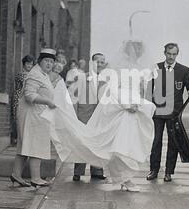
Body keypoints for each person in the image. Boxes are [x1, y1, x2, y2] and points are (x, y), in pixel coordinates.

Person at [47, 42, 156, 192]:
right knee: (113, 144)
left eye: (138, 51)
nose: (136, 53)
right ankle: (121, 178)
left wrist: (138, 102)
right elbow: (112, 90)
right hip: (115, 109)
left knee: (124, 144)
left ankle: (121, 177)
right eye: (134, 50)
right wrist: (126, 104)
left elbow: (136, 89)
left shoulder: (135, 70)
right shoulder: (113, 70)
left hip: (127, 109)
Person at [11, 48, 62, 188]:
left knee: (25, 145)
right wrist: (48, 101)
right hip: (31, 115)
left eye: (52, 62)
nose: (49, 64)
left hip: (37, 115)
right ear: (40, 61)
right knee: (35, 145)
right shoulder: (35, 74)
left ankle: (16, 175)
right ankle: (36, 178)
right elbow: (29, 95)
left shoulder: (43, 74)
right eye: (46, 61)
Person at [146, 43, 189, 183]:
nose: (171, 57)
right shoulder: (156, 68)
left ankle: (168, 172)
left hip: (174, 113)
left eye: (174, 54)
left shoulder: (183, 70)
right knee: (156, 141)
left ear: (177, 54)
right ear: (164, 53)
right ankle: (154, 170)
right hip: (157, 111)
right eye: (169, 54)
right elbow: (148, 88)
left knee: (173, 143)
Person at [71, 53, 108, 182]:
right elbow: (74, 98)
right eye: (98, 61)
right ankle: (78, 172)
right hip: (84, 115)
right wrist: (75, 116)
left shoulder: (105, 80)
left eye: (103, 62)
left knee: (97, 143)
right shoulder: (82, 78)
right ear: (92, 62)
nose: (100, 64)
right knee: (82, 143)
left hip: (98, 117)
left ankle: (97, 170)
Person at [11, 55, 35, 144]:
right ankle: (16, 138)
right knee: (18, 118)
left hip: (27, 98)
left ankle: (24, 139)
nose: (29, 66)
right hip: (19, 97)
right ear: (24, 64)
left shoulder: (31, 75)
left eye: (31, 64)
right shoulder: (21, 74)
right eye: (28, 64)